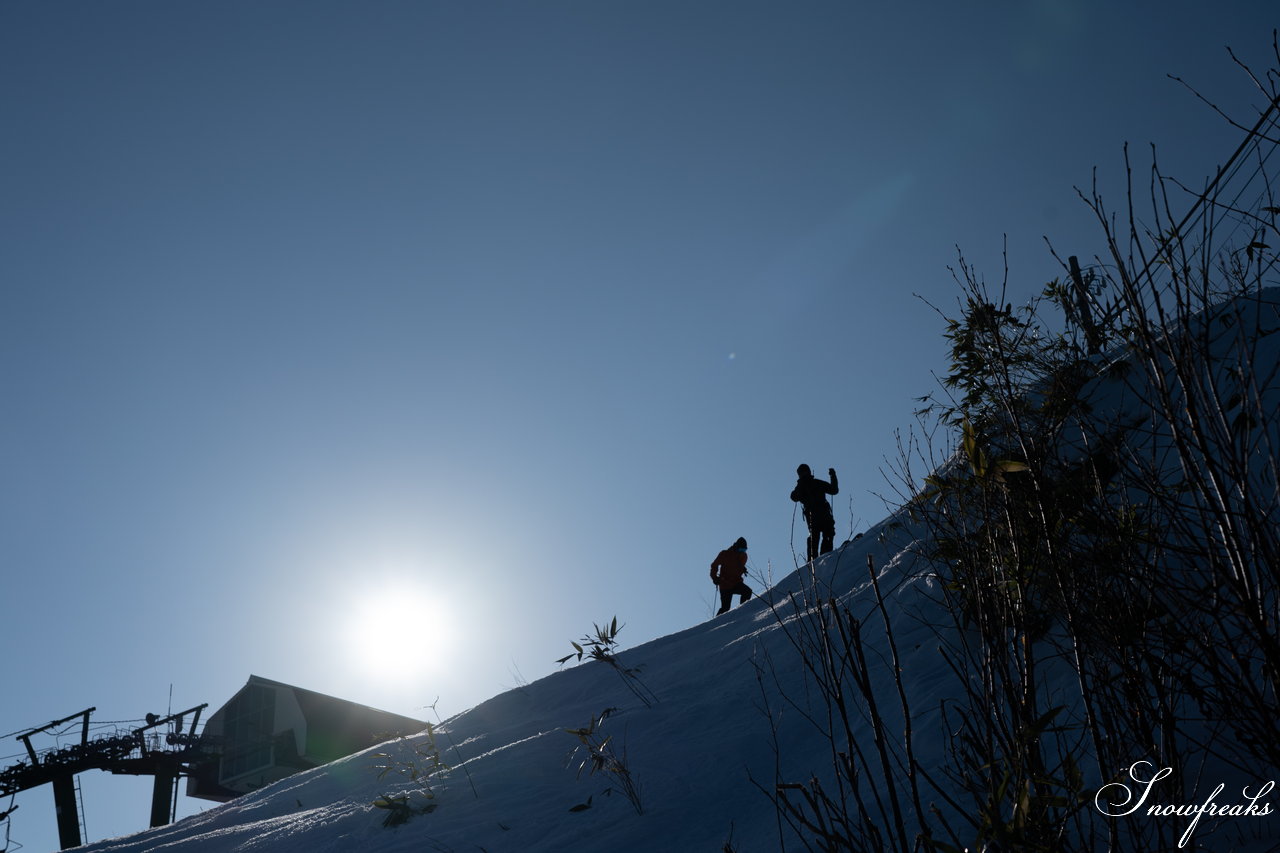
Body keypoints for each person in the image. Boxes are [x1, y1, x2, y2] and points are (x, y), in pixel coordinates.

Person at [791, 464, 839, 562]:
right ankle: (822, 558)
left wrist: (800, 485)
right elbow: (834, 490)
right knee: (824, 536)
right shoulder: (815, 483)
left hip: (815, 517)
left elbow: (793, 497)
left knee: (817, 537)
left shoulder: (803, 486)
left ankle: (814, 561)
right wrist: (833, 476)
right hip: (821, 515)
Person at [709, 537, 753, 616]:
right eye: (741, 550)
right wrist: (715, 578)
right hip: (725, 585)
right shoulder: (724, 554)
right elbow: (714, 566)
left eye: (744, 550)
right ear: (736, 546)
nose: (742, 552)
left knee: (747, 592)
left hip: (736, 583)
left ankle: (741, 612)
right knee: (725, 608)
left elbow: (738, 566)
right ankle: (715, 623)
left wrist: (743, 569)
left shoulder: (744, 556)